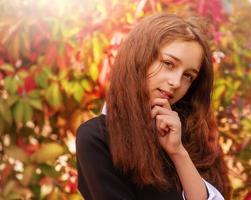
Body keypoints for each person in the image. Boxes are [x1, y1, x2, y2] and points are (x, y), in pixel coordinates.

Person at [76, 12, 231, 200]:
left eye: (188, 76)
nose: (176, 82)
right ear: (139, 57)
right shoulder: (97, 136)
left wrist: (178, 152)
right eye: (168, 63)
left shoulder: (189, 134)